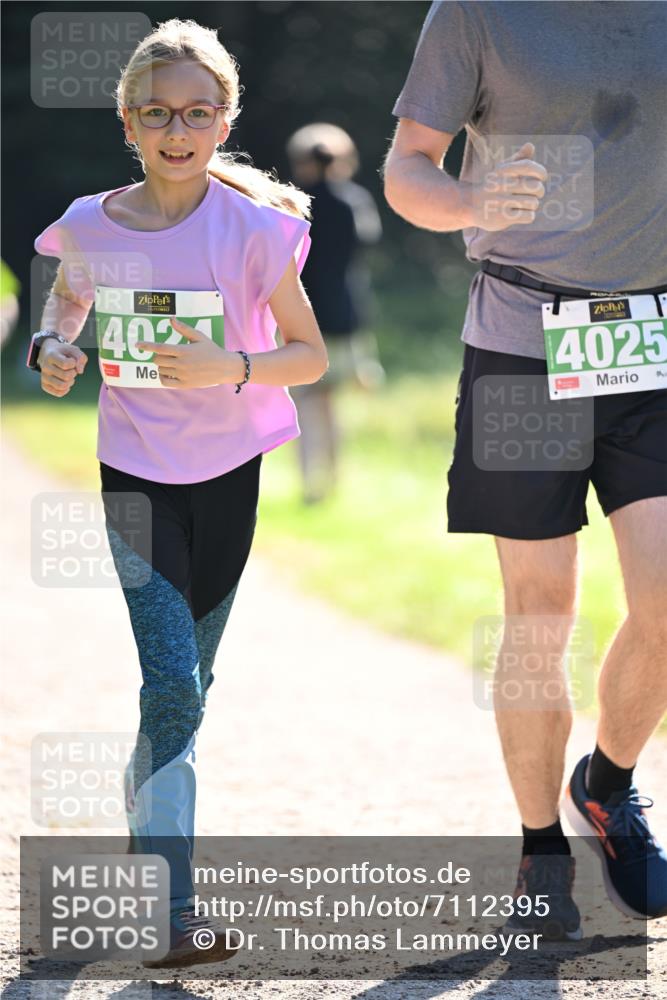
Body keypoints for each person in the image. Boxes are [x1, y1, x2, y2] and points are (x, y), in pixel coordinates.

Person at [29, 17, 327, 969]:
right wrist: (51, 347)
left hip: (229, 477)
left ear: (224, 118)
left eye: (198, 113)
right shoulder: (89, 223)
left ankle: (145, 834)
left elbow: (307, 356)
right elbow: (66, 302)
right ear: (128, 120)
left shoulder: (254, 231)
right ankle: (171, 914)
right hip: (135, 476)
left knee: (185, 698)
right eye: (157, 113)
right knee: (174, 682)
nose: (177, 130)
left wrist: (228, 366)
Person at [384, 0, 667, 939]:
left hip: (649, 345)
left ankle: (607, 786)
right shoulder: (477, 12)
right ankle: (539, 843)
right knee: (540, 609)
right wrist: (466, 202)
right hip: (520, 347)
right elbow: (406, 169)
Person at [286, 123, 384, 503]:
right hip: (344, 316)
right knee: (332, 405)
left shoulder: (292, 204)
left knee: (306, 405)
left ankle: (310, 484)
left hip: (298, 317)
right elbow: (365, 248)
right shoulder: (353, 202)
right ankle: (334, 480)